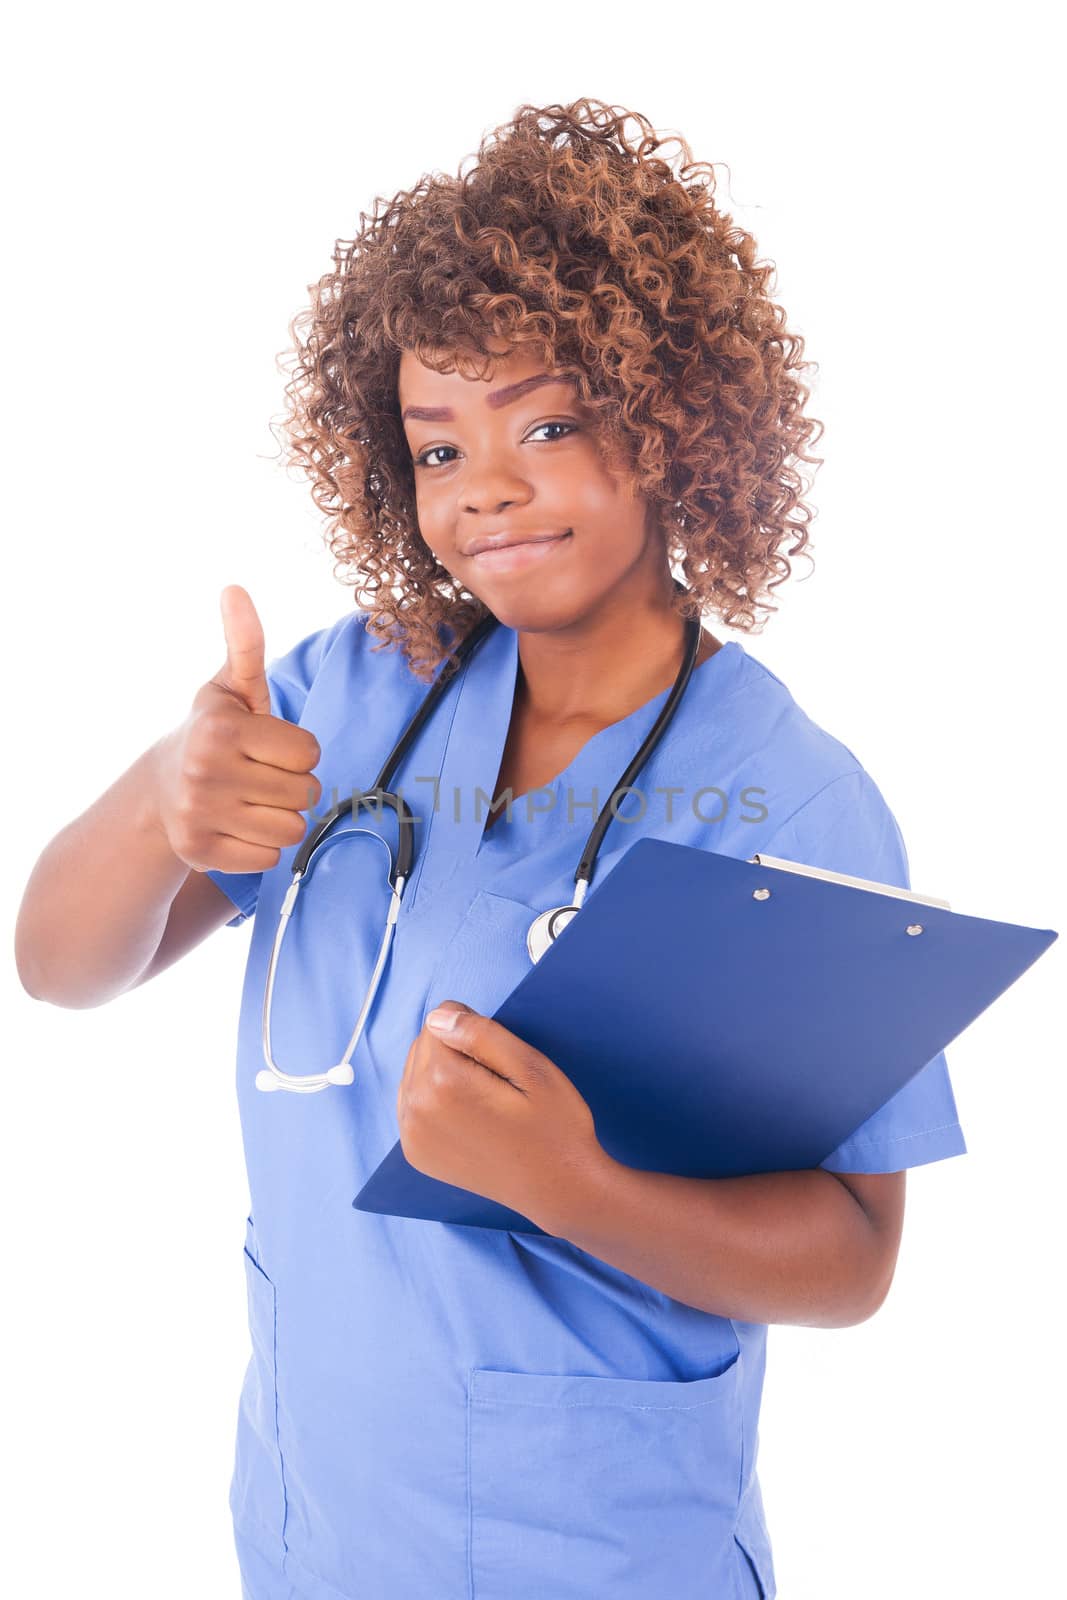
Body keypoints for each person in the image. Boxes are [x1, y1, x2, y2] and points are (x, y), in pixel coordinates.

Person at [15, 99, 966, 1600]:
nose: (487, 489)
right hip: (315, 1527)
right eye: (437, 445)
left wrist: (573, 1184)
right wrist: (160, 799)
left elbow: (853, 1255)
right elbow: (57, 968)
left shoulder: (786, 799)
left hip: (595, 1550)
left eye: (546, 424)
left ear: (674, 419)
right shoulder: (351, 692)